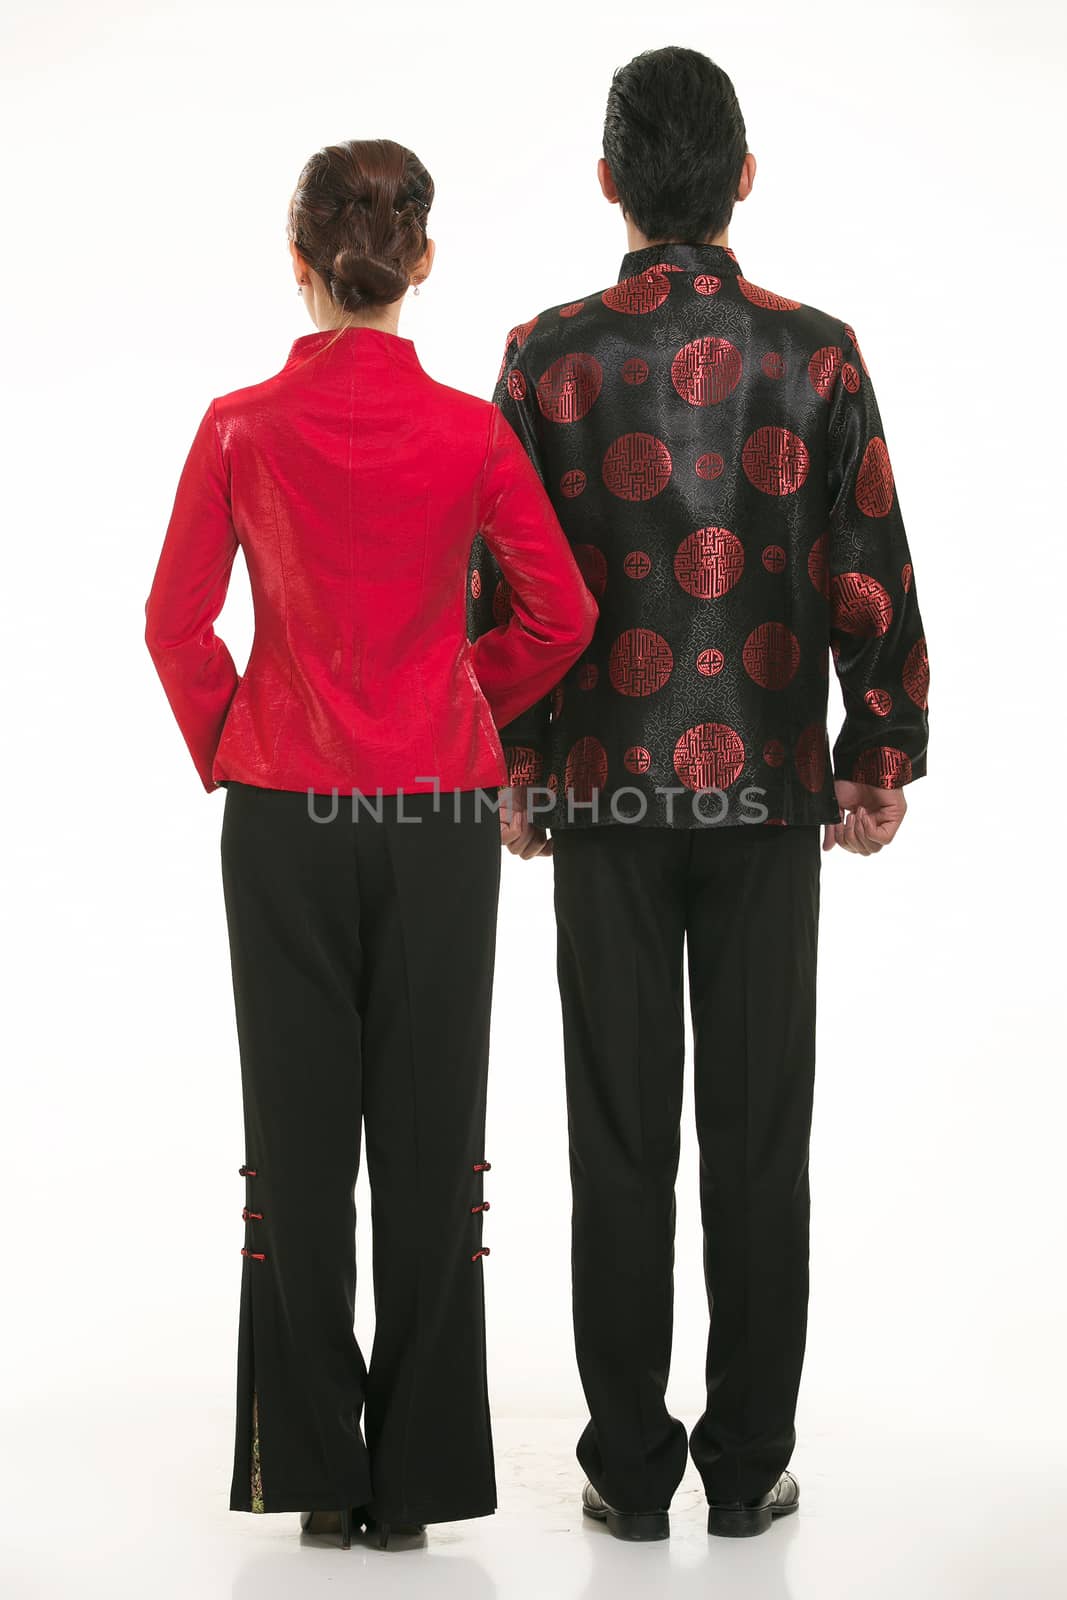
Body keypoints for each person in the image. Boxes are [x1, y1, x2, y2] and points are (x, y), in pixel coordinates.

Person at [468, 48, 930, 1541]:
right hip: (764, 804)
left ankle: (623, 1468)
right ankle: (745, 1468)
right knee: (756, 1135)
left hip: (603, 793)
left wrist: (519, 767)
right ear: (743, 174)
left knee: (617, 1138)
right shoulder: (819, 355)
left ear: (611, 181)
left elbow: (504, 588)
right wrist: (874, 757)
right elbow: (870, 576)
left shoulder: (546, 359)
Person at [144, 137, 597, 1552]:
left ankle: (313, 1474)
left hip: (281, 812)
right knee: (427, 1138)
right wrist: (468, 696)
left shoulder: (239, 426)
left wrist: (233, 738)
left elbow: (174, 624)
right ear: (422, 264)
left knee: (291, 1141)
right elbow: (561, 616)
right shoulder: (471, 432)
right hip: (441, 818)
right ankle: (416, 1482)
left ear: (300, 262)